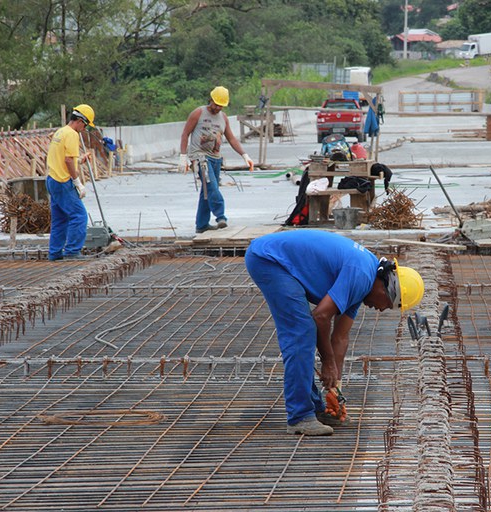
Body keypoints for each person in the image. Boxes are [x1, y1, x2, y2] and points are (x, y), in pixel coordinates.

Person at [244, 230, 425, 436]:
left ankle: (315, 408)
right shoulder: (361, 275)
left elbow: (340, 338)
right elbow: (321, 316)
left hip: (276, 258)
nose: (383, 309)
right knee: (301, 332)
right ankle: (300, 416)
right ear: (386, 289)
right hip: (269, 259)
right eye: (389, 305)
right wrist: (328, 363)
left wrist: (335, 388)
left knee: (305, 331)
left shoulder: (363, 284)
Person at [179, 86, 255, 234]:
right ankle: (221, 216)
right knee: (211, 185)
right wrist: (183, 157)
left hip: (215, 159)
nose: (217, 107)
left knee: (207, 191)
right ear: (210, 99)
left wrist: (245, 155)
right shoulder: (198, 113)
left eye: (221, 105)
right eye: (215, 104)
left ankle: (201, 225)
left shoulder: (223, 118)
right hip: (199, 157)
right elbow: (185, 133)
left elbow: (232, 138)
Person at [45, 104, 95, 261]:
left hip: (52, 180)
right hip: (63, 181)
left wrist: (79, 160)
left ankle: (55, 253)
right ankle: (72, 252)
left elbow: (65, 158)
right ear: (79, 121)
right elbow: (67, 160)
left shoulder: (60, 132)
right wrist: (77, 182)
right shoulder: (72, 134)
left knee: (60, 219)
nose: (84, 129)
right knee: (79, 216)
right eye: (85, 125)